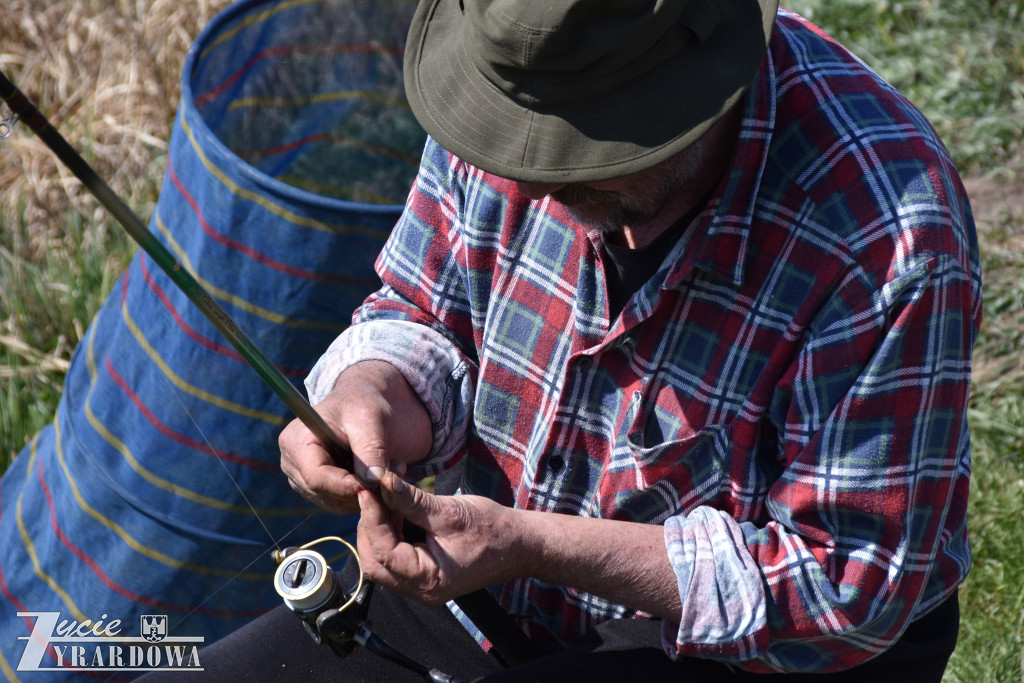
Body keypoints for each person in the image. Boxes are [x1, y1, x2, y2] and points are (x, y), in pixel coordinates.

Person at [143, 0, 980, 679]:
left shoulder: (887, 228)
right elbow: (424, 306)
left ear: (691, 102)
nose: (528, 180)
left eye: (575, 151)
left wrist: (529, 543)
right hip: (493, 586)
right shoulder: (511, 82)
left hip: (752, 651)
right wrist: (374, 391)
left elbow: (843, 585)